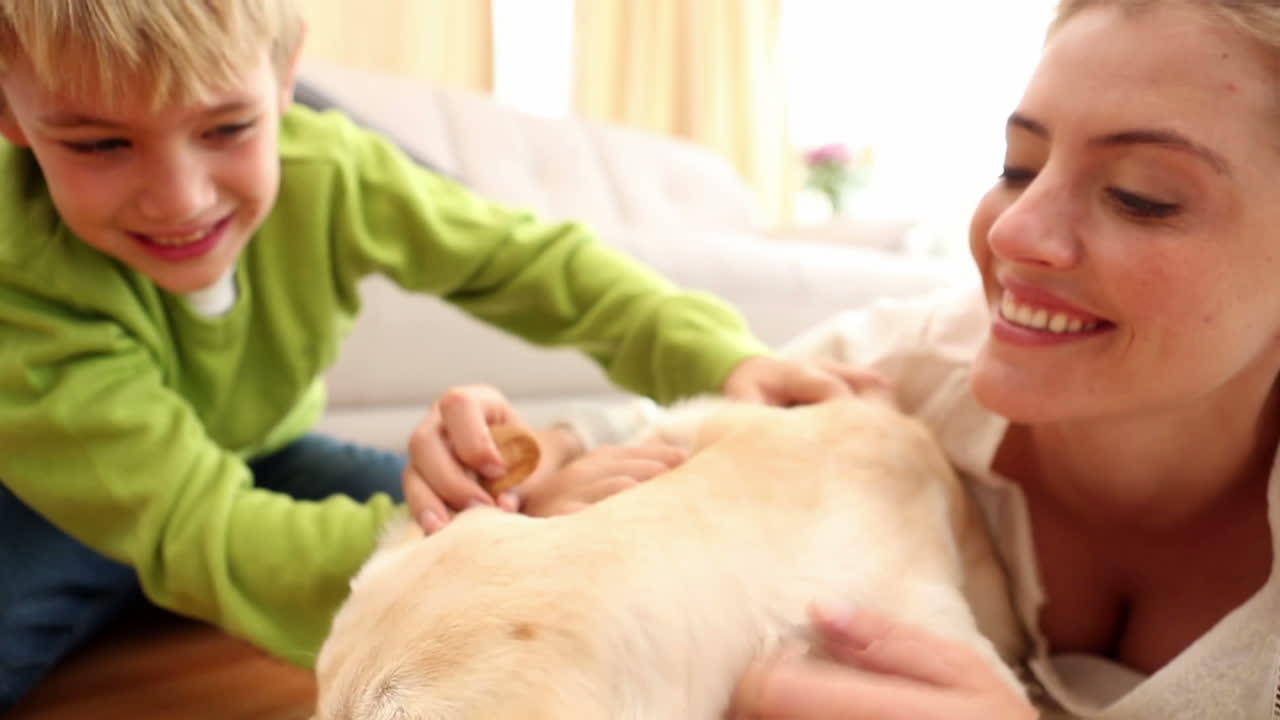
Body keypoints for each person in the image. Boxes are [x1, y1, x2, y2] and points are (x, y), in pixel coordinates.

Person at [0, 0, 866, 709]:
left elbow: (531, 263)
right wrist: (487, 539)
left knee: (483, 521)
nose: (180, 199)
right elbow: (202, 528)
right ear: (9, 112)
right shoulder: (20, 280)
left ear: (286, 73)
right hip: (47, 500)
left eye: (227, 128)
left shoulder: (332, 168)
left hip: (263, 452)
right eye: (100, 143)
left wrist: (720, 361)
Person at [426, 0, 1280, 717]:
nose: (1013, 232)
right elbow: (644, 435)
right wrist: (529, 469)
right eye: (1019, 167)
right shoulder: (896, 373)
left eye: (1140, 196)